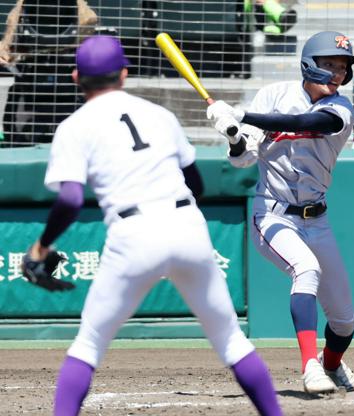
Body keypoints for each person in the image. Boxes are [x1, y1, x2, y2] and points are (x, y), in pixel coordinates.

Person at [22, 35, 282, 416]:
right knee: (232, 341)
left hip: (133, 233)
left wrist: (41, 246)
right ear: (124, 74)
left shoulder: (74, 127)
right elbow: (197, 186)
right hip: (187, 223)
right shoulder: (160, 115)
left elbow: (71, 200)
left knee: (88, 345)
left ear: (76, 77)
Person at [205, 31, 354, 395]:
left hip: (317, 218)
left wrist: (242, 114)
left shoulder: (341, 108)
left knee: (344, 321)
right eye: (330, 64)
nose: (338, 73)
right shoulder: (274, 94)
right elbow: (244, 158)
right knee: (306, 269)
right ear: (309, 64)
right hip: (272, 213)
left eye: (342, 67)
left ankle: (331, 364)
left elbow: (309, 124)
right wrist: (233, 135)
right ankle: (311, 366)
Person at [0, 0, 98, 146]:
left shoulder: (83, 12)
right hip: (43, 88)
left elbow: (8, 47)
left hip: (51, 89)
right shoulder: (22, 8)